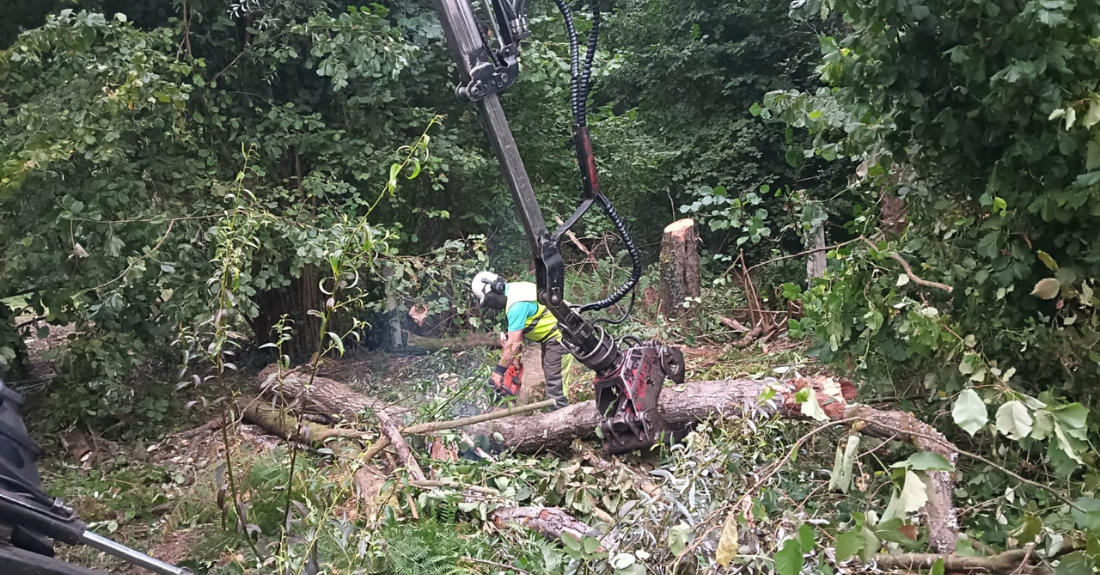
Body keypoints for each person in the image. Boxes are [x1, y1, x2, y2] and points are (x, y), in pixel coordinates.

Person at [470, 271, 574, 410]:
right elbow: (518, 334)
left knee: (556, 383)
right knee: (553, 377)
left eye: (489, 300)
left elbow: (513, 343)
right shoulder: (517, 291)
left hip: (561, 334)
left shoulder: (516, 304)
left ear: (496, 289)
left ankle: (562, 418)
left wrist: (498, 373)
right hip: (556, 333)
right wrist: (515, 359)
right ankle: (557, 410)